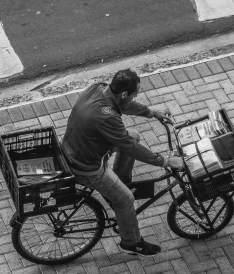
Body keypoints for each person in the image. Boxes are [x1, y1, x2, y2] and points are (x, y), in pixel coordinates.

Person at [61, 69, 183, 256]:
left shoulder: (98, 88)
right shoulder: (107, 116)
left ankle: (120, 181)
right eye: (135, 94)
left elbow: (124, 106)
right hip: (86, 167)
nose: (136, 96)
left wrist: (152, 113)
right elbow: (129, 147)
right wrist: (165, 161)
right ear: (125, 93)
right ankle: (132, 243)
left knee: (134, 135)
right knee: (126, 200)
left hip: (75, 148)